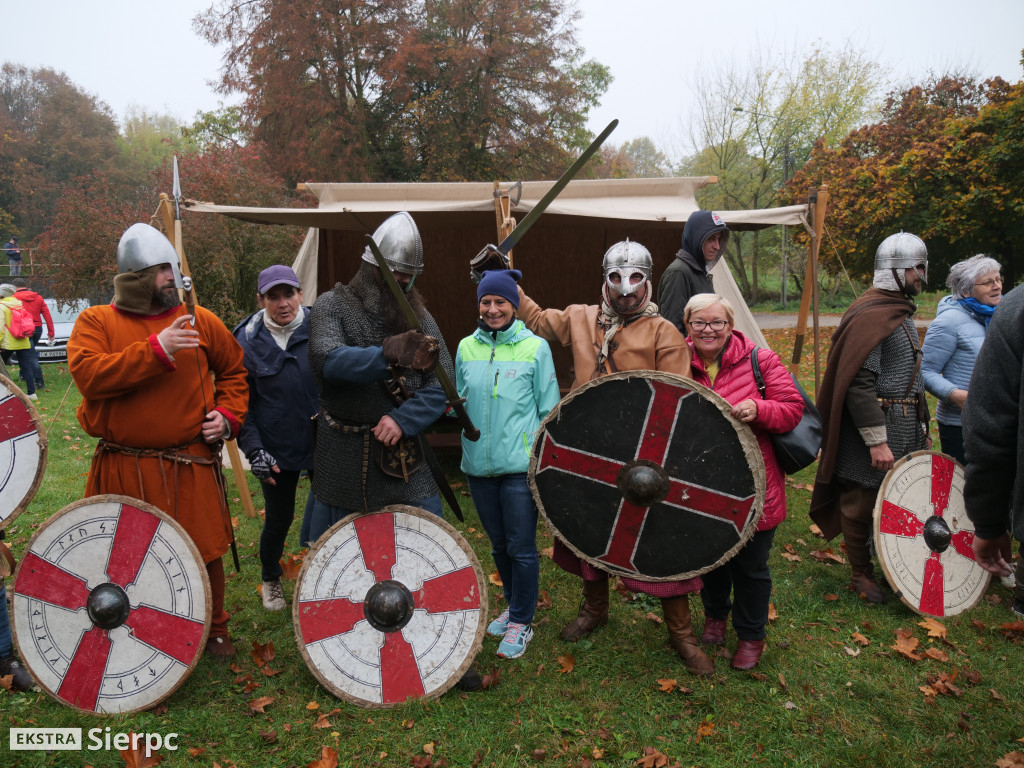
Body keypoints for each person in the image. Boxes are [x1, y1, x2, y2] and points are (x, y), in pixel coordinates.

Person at [517, 240, 714, 676]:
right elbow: (535, 319)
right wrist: (506, 280)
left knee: (657, 538)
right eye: (616, 281)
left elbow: (678, 402)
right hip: (590, 445)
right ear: (604, 277)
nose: (625, 292)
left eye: (635, 282)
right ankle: (595, 608)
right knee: (589, 527)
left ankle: (681, 633)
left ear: (647, 280)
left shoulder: (663, 332)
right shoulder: (581, 317)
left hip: (646, 454)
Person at [306, 212, 481, 691]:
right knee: (334, 562)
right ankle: (337, 655)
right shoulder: (331, 307)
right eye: (394, 275)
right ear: (371, 269)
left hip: (403, 459)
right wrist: (387, 352)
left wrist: (402, 418)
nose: (402, 282)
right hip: (344, 451)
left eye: (408, 277)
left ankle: (443, 655)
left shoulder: (419, 318)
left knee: (425, 557)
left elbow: (442, 384)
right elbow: (327, 361)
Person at [67, 223, 249, 659]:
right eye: (162, 269)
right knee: (122, 555)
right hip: (124, 464)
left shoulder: (199, 319)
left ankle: (215, 627)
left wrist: (227, 417)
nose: (174, 275)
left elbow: (235, 372)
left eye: (173, 267)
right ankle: (135, 622)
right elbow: (89, 376)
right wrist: (156, 350)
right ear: (135, 277)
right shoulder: (98, 321)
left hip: (188, 461)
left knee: (203, 547)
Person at [683, 294, 803, 669]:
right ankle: (715, 618)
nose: (708, 330)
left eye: (717, 322)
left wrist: (760, 408)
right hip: (702, 483)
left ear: (730, 326)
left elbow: (793, 409)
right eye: (699, 322)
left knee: (751, 565)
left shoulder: (759, 360)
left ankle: (751, 635)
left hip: (755, 484)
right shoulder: (674, 359)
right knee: (711, 558)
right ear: (687, 325)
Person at [809, 232, 930, 605]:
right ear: (896, 271)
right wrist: (876, 439)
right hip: (873, 428)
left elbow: (912, 375)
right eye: (917, 269)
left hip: (904, 423)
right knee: (861, 501)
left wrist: (921, 427)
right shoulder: (873, 314)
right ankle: (861, 573)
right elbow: (859, 381)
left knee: (897, 500)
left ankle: (893, 566)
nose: (922, 277)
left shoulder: (898, 309)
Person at [455, 269, 561, 660]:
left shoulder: (535, 348)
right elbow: (460, 400)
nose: (493, 309)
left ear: (513, 306)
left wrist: (540, 457)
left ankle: (522, 620)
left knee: (520, 547)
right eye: (486, 302)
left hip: (519, 466)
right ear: (479, 305)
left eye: (501, 302)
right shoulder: (467, 347)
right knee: (499, 545)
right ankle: (514, 606)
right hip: (478, 466)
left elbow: (549, 409)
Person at [233, 265, 319, 612]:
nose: (283, 303)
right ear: (262, 300)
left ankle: (324, 577)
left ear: (300, 294)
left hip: (324, 442)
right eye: (273, 296)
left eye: (289, 294)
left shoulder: (322, 327)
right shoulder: (246, 340)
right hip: (275, 447)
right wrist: (255, 450)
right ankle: (271, 579)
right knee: (279, 517)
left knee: (331, 514)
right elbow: (242, 405)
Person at [963, 283, 1024, 618]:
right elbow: (992, 430)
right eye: (987, 281)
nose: (997, 285)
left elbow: (990, 426)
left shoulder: (1015, 308)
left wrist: (988, 524)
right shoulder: (1015, 310)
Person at [921, 255, 1002, 464]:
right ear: (966, 290)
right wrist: (955, 395)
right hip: (961, 425)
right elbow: (924, 370)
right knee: (965, 490)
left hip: (998, 421)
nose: (997, 286)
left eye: (998, 279)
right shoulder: (948, 322)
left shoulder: (999, 316)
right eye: (988, 282)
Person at [658, 211, 730, 333]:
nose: (717, 246)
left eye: (719, 239)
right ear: (696, 238)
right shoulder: (678, 273)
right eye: (711, 238)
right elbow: (672, 332)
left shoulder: (699, 271)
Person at [12, 277, 55, 392]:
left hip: (24, 329)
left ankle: (39, 381)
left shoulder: (14, 298)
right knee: (27, 351)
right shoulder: (38, 298)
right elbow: (47, 314)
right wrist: (51, 332)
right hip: (37, 329)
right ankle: (24, 374)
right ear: (25, 285)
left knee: (30, 355)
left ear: (14, 288)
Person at [0, 284, 35, 401]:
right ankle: (32, 393)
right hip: (23, 340)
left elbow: (0, 327)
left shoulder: (2, 306)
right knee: (26, 367)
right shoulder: (19, 304)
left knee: (2, 368)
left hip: (8, 343)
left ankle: (6, 392)